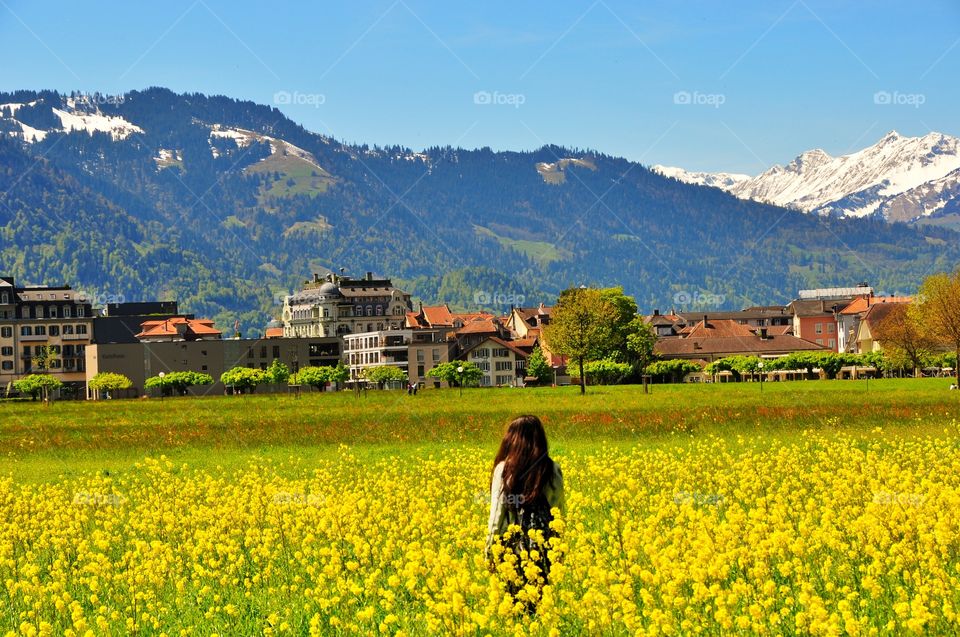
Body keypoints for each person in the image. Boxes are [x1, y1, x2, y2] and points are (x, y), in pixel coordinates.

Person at [485, 415, 565, 608]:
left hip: (512, 549)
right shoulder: (552, 469)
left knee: (515, 605)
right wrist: (560, 550)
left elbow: (496, 516)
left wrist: (489, 549)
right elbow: (559, 513)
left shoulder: (504, 470)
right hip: (544, 548)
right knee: (541, 606)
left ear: (511, 440)